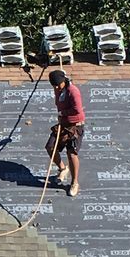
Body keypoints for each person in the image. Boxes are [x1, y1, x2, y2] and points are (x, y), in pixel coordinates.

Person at [45, 68, 86, 196]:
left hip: (75, 126)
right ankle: (63, 168)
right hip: (63, 124)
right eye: (54, 86)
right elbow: (58, 102)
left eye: (58, 85)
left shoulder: (73, 92)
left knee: (71, 153)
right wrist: (57, 92)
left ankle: (74, 182)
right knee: (50, 147)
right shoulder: (59, 90)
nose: (56, 88)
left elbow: (77, 110)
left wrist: (63, 113)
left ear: (64, 81)